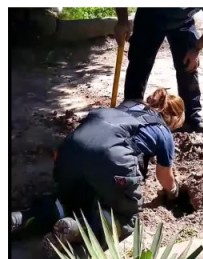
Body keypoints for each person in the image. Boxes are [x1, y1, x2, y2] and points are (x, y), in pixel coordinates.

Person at [11, 88, 184, 246]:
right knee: (126, 218)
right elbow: (164, 176)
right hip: (109, 158)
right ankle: (76, 230)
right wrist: (173, 191)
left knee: (69, 200)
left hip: (71, 151)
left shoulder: (128, 105)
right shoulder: (163, 132)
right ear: (174, 118)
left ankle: (20, 219)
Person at [114, 8, 203, 134]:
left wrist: (196, 48)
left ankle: (192, 118)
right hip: (149, 17)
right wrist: (122, 21)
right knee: (140, 61)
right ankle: (130, 109)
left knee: (188, 64)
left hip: (182, 23)